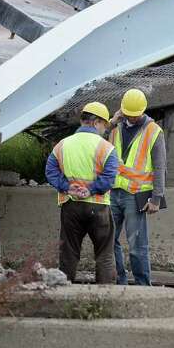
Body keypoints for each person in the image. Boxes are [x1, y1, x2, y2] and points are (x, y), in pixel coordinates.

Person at [45, 102, 119, 283]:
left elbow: (50, 171)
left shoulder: (62, 145)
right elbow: (110, 177)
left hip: (71, 206)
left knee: (68, 253)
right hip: (99, 207)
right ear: (96, 123)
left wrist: (66, 187)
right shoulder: (106, 148)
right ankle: (106, 297)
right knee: (104, 255)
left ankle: (63, 293)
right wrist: (91, 190)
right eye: (104, 125)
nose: (104, 129)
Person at [107, 88, 167, 286]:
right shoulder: (115, 127)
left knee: (137, 245)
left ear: (143, 111)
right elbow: (96, 141)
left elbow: (160, 166)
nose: (131, 118)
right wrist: (111, 122)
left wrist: (156, 198)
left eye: (135, 115)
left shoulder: (153, 131)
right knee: (108, 240)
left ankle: (143, 286)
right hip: (113, 192)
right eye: (128, 114)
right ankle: (119, 281)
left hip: (136, 195)